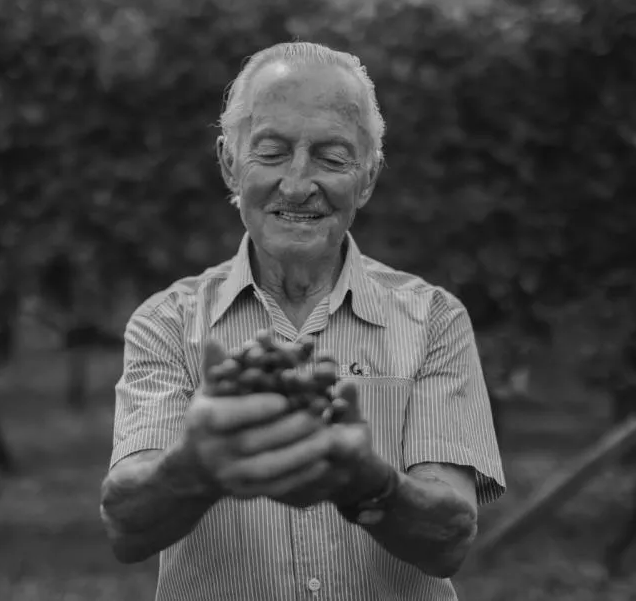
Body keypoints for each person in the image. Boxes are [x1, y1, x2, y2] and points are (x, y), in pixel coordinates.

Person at [100, 42, 505, 601]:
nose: (296, 184)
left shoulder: (433, 319)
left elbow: (450, 538)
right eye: (270, 152)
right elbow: (127, 526)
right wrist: (197, 465)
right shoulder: (168, 324)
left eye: (332, 158)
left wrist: (370, 481)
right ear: (229, 163)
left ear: (367, 177)